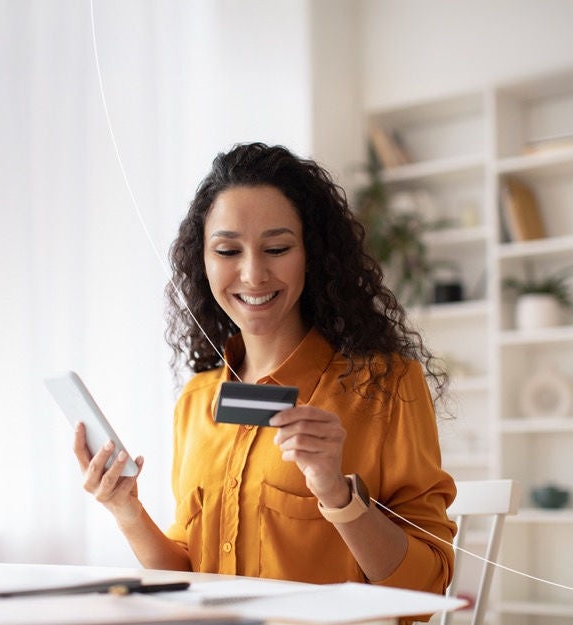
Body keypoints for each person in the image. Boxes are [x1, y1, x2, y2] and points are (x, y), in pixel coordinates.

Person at [73, 143, 456, 602]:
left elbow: (427, 586)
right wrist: (127, 510)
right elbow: (190, 577)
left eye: (276, 248)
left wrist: (336, 493)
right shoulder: (197, 400)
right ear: (204, 261)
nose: (253, 275)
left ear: (312, 255)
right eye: (228, 250)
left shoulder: (384, 387)